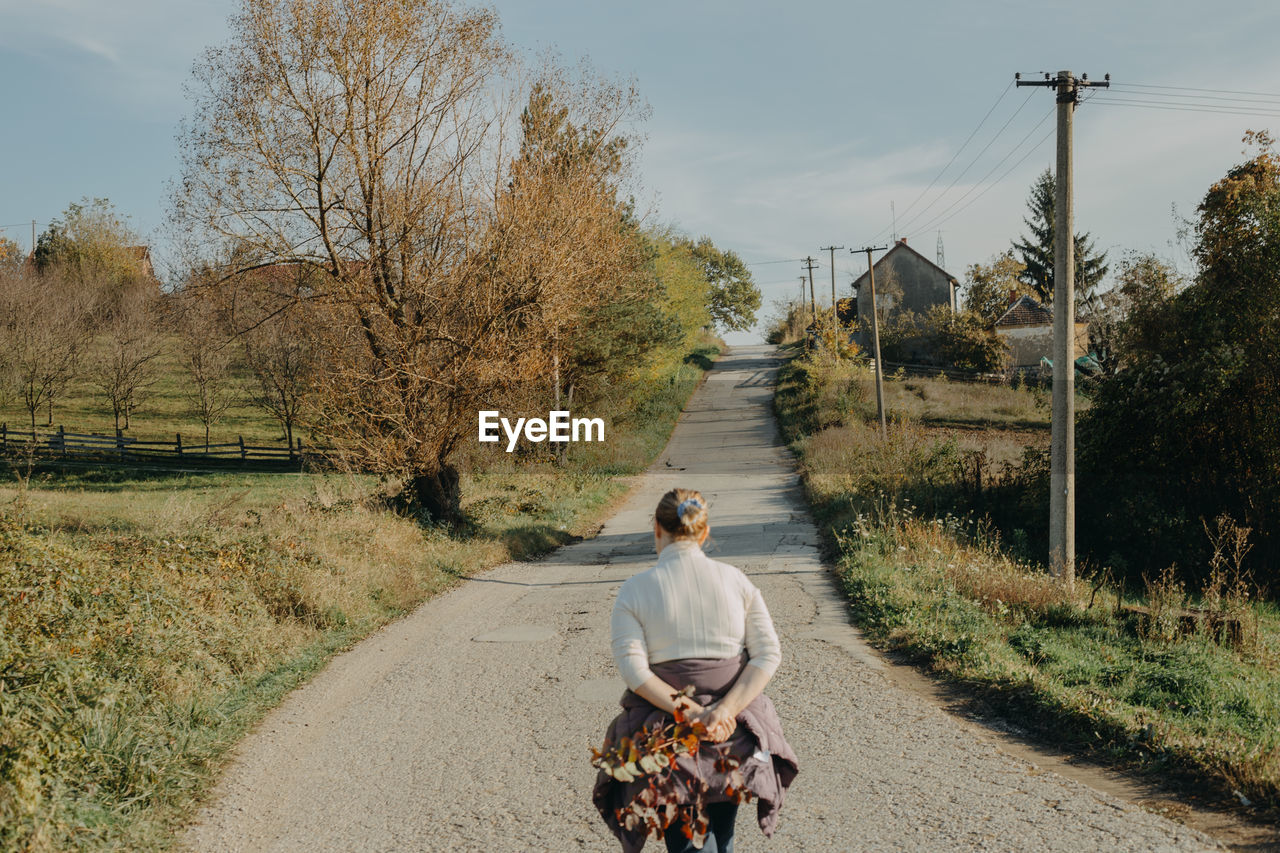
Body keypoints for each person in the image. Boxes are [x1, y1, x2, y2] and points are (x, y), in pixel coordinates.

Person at [593, 488, 798, 853]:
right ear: (704, 532)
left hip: (668, 732)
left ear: (656, 527)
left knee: (687, 841)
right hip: (731, 731)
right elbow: (767, 654)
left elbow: (634, 670)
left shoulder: (635, 590)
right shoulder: (737, 582)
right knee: (723, 831)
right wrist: (722, 711)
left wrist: (691, 713)